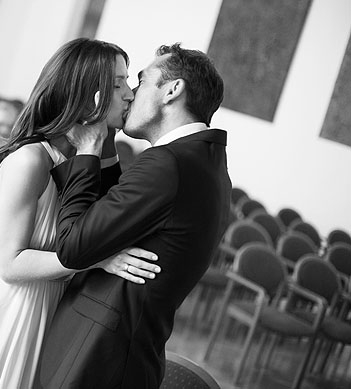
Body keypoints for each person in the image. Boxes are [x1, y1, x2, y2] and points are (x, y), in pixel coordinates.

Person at [0, 38, 161, 389]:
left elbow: (106, 222)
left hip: (46, 310)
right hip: (3, 310)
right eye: (118, 84)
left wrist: (98, 144)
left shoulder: (82, 157)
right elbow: (11, 265)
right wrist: (95, 260)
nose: (130, 94)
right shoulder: (30, 160)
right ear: (88, 91)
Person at [36, 43, 231, 388]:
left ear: (172, 91)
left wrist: (88, 149)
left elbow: (71, 246)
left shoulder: (169, 163)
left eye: (141, 81)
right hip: (125, 352)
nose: (130, 94)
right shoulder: (202, 162)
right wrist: (105, 137)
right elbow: (113, 213)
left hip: (95, 355)